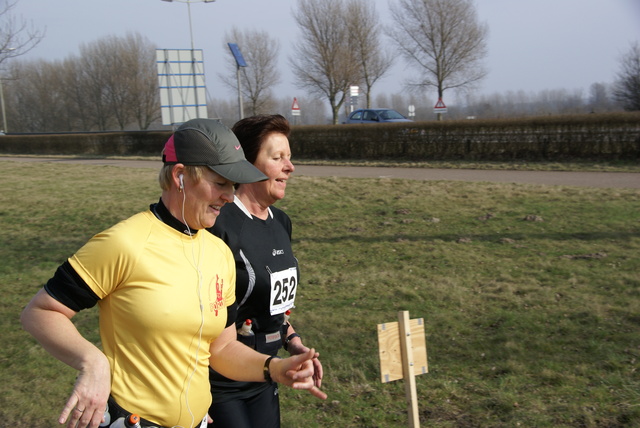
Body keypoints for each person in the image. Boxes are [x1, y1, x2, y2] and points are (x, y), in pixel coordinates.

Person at [20, 118, 326, 428]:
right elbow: (41, 312)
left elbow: (220, 349)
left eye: (233, 186)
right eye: (220, 183)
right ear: (180, 176)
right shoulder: (124, 243)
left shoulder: (218, 251)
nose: (229, 196)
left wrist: (275, 368)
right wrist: (92, 361)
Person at [207, 114, 323, 428]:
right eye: (277, 158)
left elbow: (272, 304)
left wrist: (293, 341)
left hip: (266, 374)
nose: (290, 167)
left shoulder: (282, 222)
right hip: (218, 380)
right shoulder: (218, 225)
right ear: (246, 165)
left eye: (289, 157)